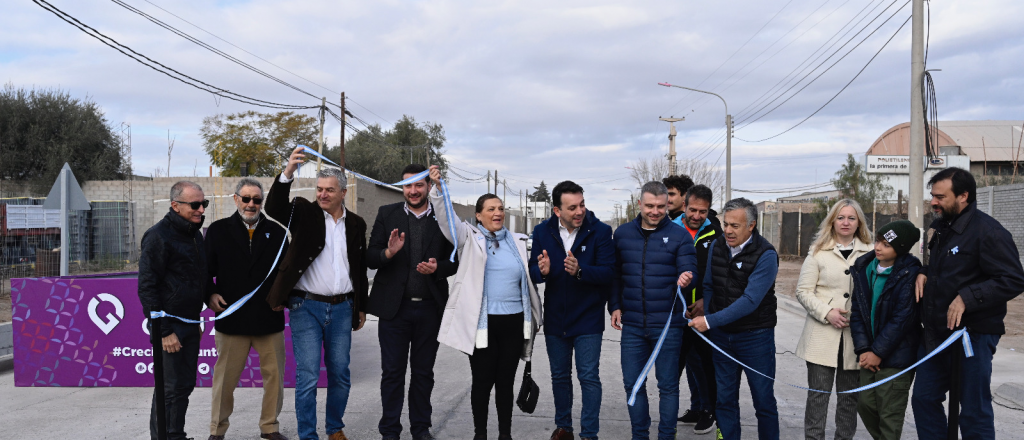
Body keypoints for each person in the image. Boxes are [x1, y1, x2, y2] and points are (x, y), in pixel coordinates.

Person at [428, 165, 542, 440]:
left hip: (514, 323)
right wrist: (438, 188)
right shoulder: (470, 237)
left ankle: (505, 435)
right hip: (484, 325)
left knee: (505, 384)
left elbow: (529, 278)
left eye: (500, 208)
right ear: (478, 216)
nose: (497, 213)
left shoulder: (518, 241)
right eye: (490, 209)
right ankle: (481, 434)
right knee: (482, 383)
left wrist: (544, 270)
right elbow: (447, 219)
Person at [264, 147, 369, 440]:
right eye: (319, 189)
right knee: (308, 376)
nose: (322, 195)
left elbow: (358, 269)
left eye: (329, 190)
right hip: (305, 306)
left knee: (340, 374)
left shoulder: (356, 224)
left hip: (342, 308)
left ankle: (334, 428)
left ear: (343, 192)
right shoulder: (303, 211)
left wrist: (360, 307)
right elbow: (273, 209)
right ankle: (307, 435)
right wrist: (287, 173)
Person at [911, 167, 1024, 439]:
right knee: (924, 399)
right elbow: (943, 266)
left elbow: (1013, 279)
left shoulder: (990, 232)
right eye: (932, 196)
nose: (933, 202)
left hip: (973, 336)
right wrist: (925, 272)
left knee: (974, 409)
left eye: (940, 197)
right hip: (936, 334)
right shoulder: (939, 226)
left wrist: (967, 297)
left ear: (963, 196)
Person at [366, 164, 458, 440]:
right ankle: (390, 431)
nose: (413, 190)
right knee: (392, 373)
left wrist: (438, 268)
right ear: (402, 188)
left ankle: (421, 429)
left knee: (423, 374)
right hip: (394, 310)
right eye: (408, 185)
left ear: (428, 187)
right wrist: (388, 253)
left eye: (419, 185)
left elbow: (455, 259)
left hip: (430, 308)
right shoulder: (387, 213)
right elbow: (371, 256)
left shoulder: (443, 217)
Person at [609, 181, 697, 440]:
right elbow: (616, 275)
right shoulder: (623, 234)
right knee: (632, 384)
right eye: (650, 206)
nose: (655, 211)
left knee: (668, 386)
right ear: (640, 204)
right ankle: (640, 434)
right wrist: (614, 305)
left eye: (661, 206)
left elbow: (689, 265)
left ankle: (666, 435)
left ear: (668, 205)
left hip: (668, 326)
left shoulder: (680, 235)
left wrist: (686, 276)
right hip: (633, 325)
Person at [528, 180, 615, 440]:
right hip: (556, 316)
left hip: (588, 318)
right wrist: (540, 272)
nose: (580, 212)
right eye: (573, 207)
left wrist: (581, 271)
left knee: (588, 377)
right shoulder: (542, 231)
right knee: (559, 376)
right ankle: (564, 427)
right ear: (557, 211)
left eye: (582, 205)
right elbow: (533, 271)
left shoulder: (600, 231)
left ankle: (589, 433)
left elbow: (609, 272)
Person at [204, 178, 289, 440]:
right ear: (235, 199)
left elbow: (285, 273)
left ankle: (270, 427)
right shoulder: (217, 230)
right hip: (232, 319)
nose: (251, 204)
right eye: (246, 198)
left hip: (268, 318)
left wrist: (282, 297)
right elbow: (205, 270)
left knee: (274, 378)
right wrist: (209, 294)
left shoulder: (277, 233)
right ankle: (217, 431)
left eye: (257, 200)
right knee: (224, 382)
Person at [689, 197, 780, 440]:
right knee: (725, 400)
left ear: (751, 225)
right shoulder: (718, 245)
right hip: (721, 338)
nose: (727, 230)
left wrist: (708, 322)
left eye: (735, 226)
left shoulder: (766, 255)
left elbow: (750, 301)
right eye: (725, 224)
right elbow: (708, 285)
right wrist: (707, 313)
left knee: (763, 401)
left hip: (755, 338)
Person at [794, 199, 872, 440]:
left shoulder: (870, 252)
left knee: (849, 399)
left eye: (851, 218)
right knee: (818, 396)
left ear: (859, 221)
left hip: (855, 338)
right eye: (840, 217)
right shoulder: (818, 251)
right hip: (821, 337)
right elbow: (803, 291)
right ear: (832, 221)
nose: (845, 222)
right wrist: (827, 312)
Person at [138, 181, 208, 440]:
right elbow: (147, 287)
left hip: (191, 323)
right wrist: (164, 330)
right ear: (175, 205)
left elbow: (197, 277)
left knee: (184, 386)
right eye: (195, 204)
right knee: (169, 389)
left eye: (204, 204)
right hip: (169, 327)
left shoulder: (195, 234)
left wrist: (210, 297)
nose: (201, 209)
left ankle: (175, 434)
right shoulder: (158, 236)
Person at [849, 220, 922, 440]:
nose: (878, 247)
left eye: (886, 244)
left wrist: (878, 352)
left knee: (890, 413)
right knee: (865, 404)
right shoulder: (865, 268)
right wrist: (863, 349)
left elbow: (902, 319)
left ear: (899, 250)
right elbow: (857, 313)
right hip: (869, 353)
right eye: (878, 241)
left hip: (896, 356)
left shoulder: (909, 273)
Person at [673, 184, 721, 435]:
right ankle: (678, 411)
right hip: (674, 312)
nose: (697, 216)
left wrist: (706, 301)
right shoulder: (670, 228)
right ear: (684, 206)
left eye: (703, 212)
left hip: (703, 313)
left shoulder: (717, 233)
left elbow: (721, 273)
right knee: (676, 365)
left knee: (705, 364)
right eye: (693, 210)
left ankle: (708, 411)